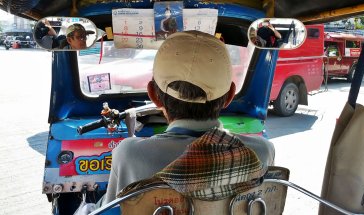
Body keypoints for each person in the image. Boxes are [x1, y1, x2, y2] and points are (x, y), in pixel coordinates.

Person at [97, 30, 275, 206]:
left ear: (153, 94)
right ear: (229, 96)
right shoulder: (262, 152)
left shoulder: (130, 155)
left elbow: (110, 210)